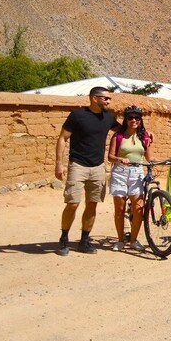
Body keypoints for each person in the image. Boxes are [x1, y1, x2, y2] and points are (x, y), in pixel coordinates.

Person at [54, 86, 120, 256]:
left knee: (92, 204)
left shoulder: (108, 117)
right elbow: (63, 138)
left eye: (109, 98)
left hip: (98, 167)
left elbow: (125, 131)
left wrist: (145, 132)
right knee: (72, 203)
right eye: (105, 98)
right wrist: (58, 163)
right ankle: (64, 238)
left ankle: (84, 240)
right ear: (94, 98)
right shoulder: (78, 115)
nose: (108, 101)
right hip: (78, 165)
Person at [107, 105, 155, 252]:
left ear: (140, 120)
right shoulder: (119, 136)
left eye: (137, 118)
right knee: (120, 209)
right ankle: (121, 240)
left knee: (138, 208)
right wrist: (120, 159)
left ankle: (133, 240)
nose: (133, 120)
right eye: (130, 118)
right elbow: (110, 157)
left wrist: (166, 160)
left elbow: (149, 157)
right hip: (120, 173)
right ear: (125, 120)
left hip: (137, 173)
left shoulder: (144, 137)